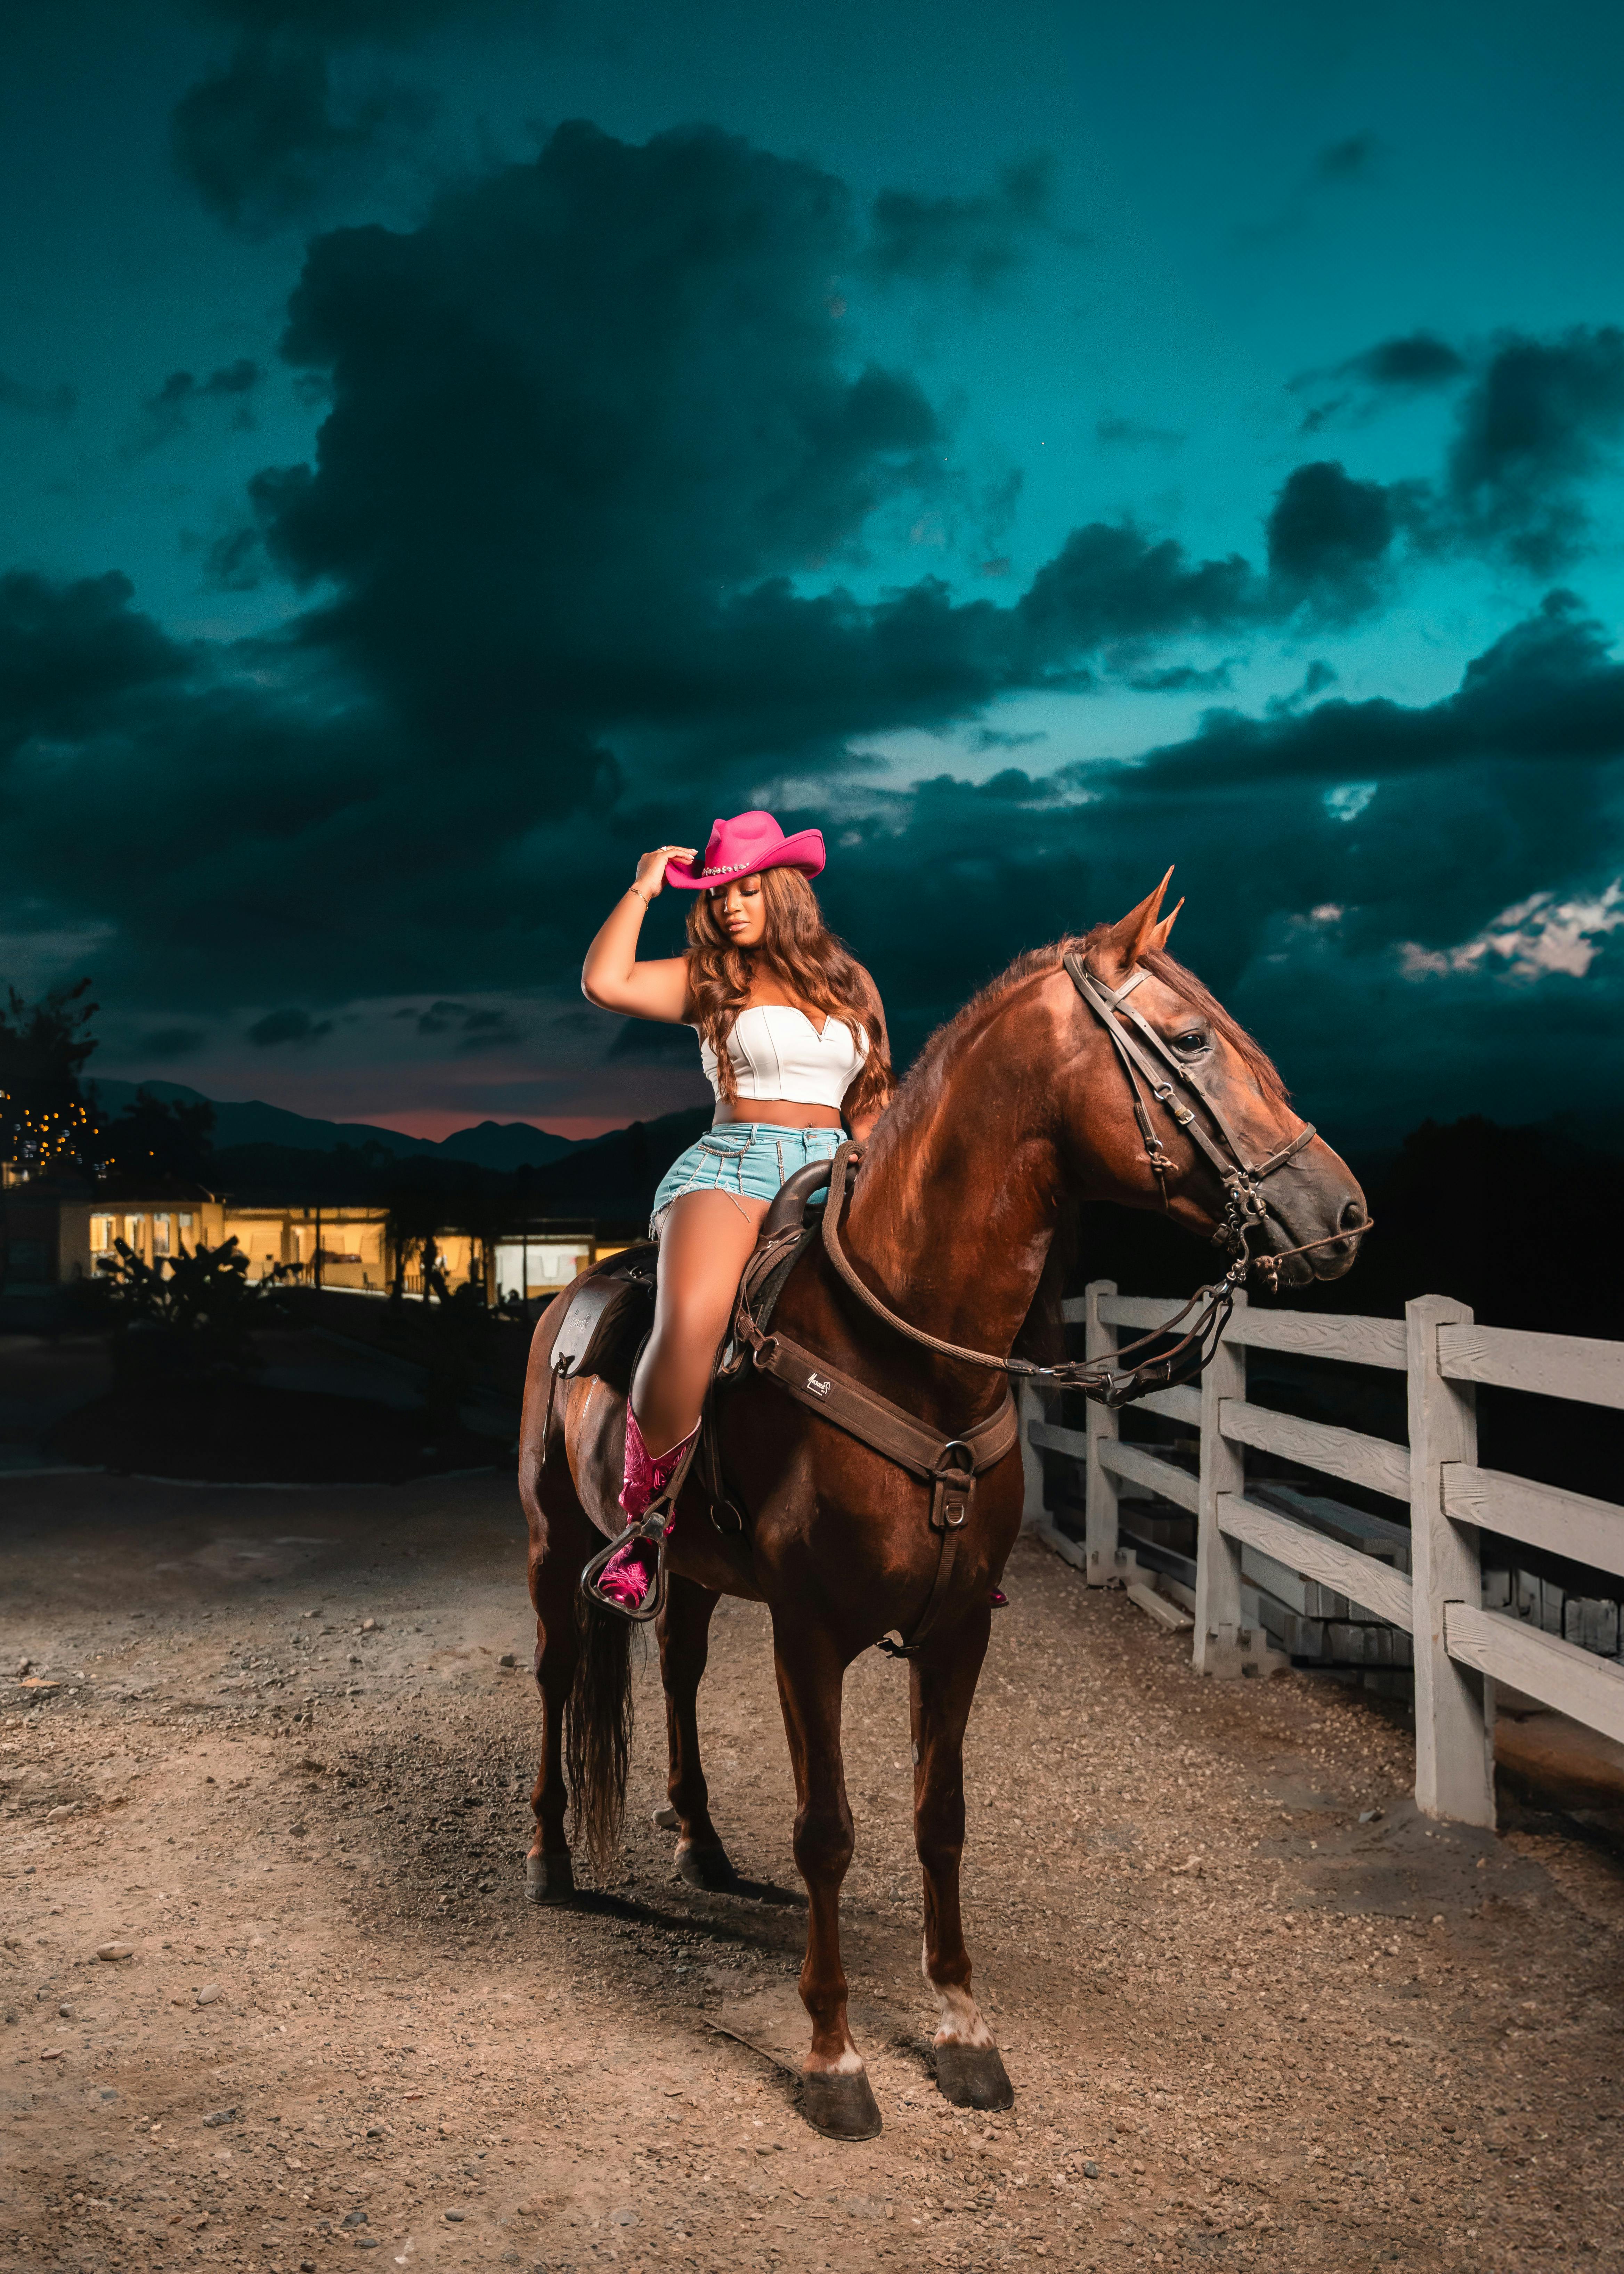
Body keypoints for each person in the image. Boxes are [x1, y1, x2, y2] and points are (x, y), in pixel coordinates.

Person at [579, 810, 892, 1603]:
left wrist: (883, 1181)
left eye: (745, 889)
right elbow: (605, 981)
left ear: (782, 890)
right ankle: (641, 1528)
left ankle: (939, 1536)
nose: (728, 905)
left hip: (836, 1172)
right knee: (692, 1317)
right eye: (718, 894)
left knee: (906, 1314)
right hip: (735, 1165)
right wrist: (643, 887)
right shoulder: (710, 976)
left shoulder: (851, 984)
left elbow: (874, 1100)